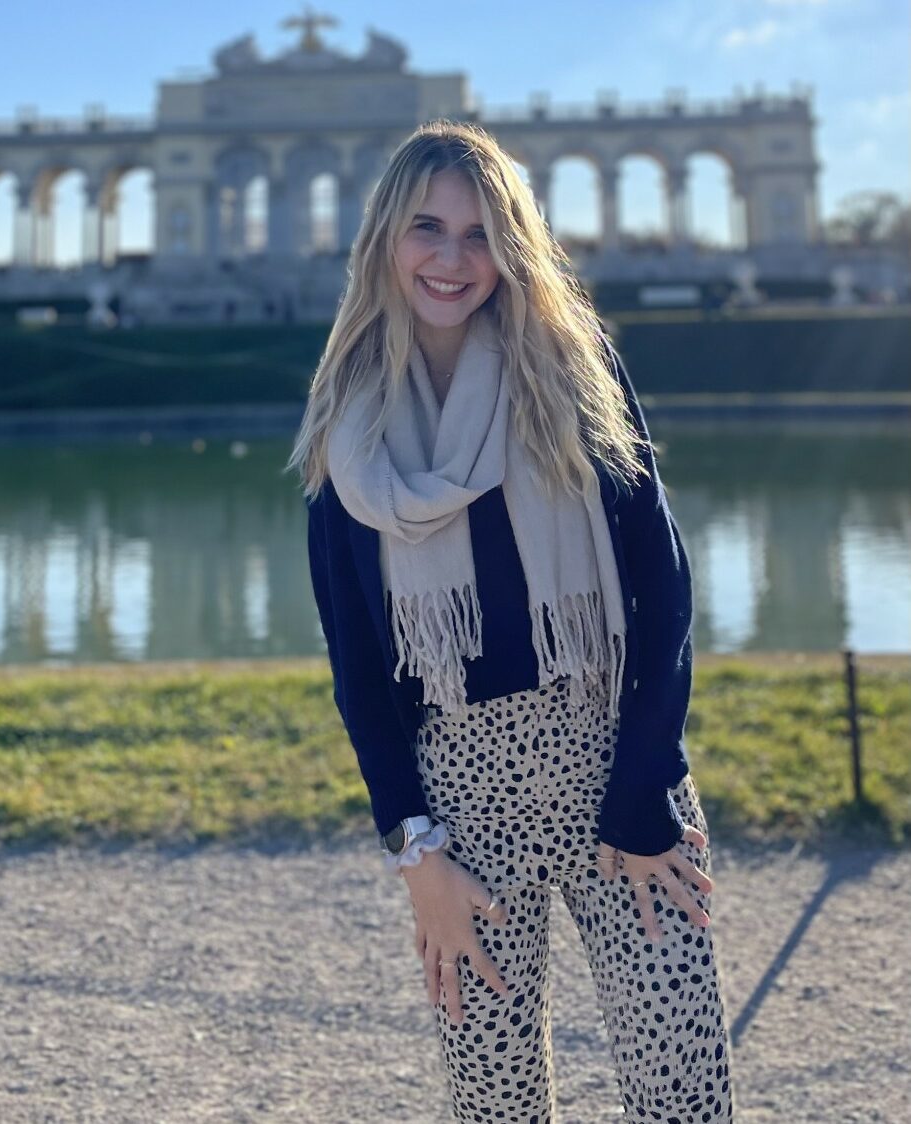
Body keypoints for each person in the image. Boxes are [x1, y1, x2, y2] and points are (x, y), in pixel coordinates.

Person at [288, 119, 733, 1123]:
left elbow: (661, 588)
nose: (452, 258)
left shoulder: (570, 369)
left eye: (481, 233)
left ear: (514, 244)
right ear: (383, 241)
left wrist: (645, 782)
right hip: (463, 802)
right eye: (427, 228)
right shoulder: (344, 431)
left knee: (681, 1083)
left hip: (616, 759)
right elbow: (358, 670)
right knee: (493, 1100)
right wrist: (418, 858)